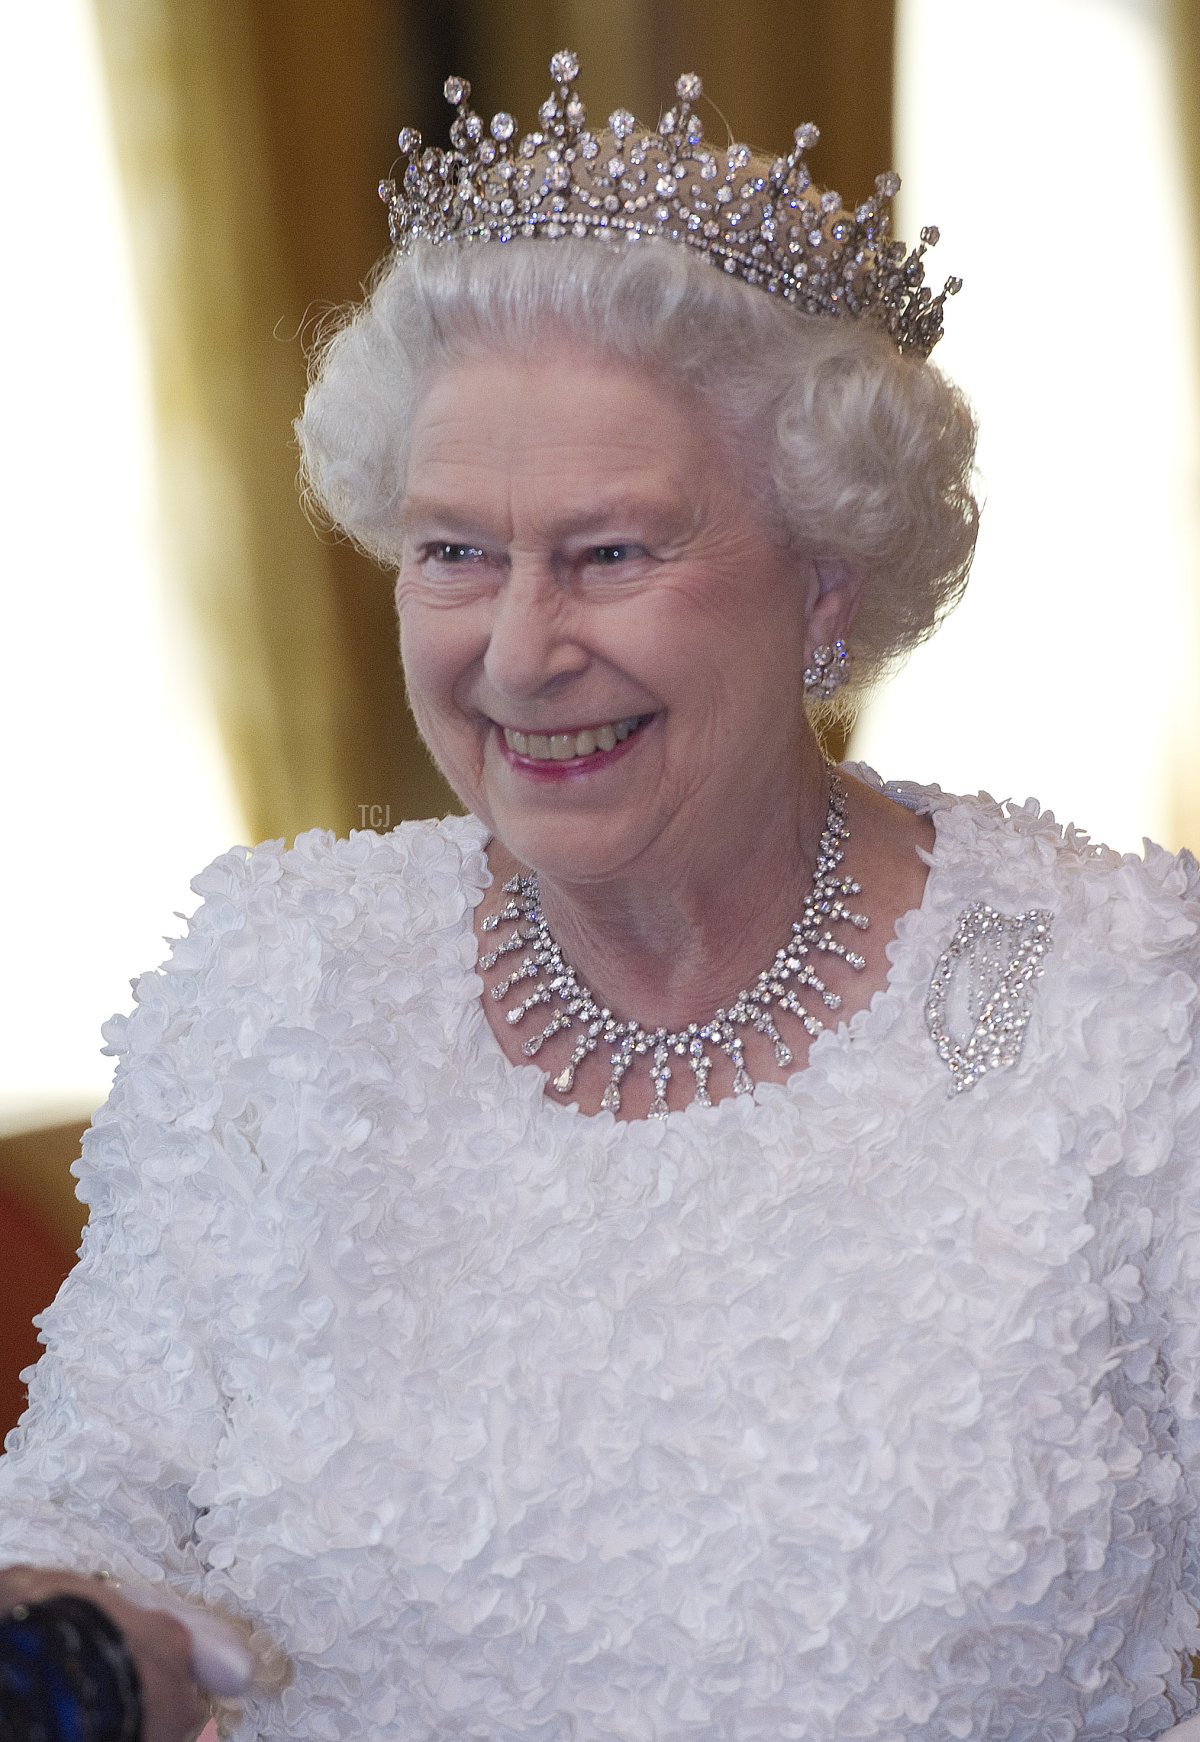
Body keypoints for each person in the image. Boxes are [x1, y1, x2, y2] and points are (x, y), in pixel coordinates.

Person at [2, 47, 1199, 1742]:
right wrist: (69, 1621)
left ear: (827, 583)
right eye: (455, 551)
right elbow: (88, 1509)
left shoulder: (1123, 1003)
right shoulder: (279, 980)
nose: (515, 652)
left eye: (614, 552)